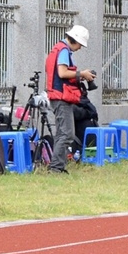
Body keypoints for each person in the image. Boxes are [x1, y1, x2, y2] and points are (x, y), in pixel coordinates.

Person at [45, 24, 96, 173]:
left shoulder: (59, 48)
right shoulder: (64, 51)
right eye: (80, 44)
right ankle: (56, 168)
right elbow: (62, 73)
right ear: (75, 40)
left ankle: (57, 167)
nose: (80, 47)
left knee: (62, 133)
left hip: (58, 96)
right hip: (61, 97)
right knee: (67, 134)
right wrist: (81, 74)